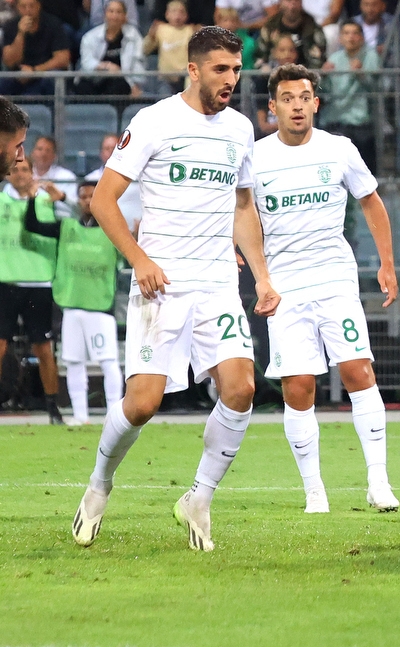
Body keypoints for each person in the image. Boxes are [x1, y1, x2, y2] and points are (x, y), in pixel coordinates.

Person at [71, 26, 281, 552]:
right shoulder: (155, 121)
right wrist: (139, 259)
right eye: (220, 69)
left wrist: (261, 274)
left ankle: (199, 498)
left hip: (216, 283)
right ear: (193, 69)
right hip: (161, 285)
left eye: (236, 70)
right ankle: (99, 485)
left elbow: (242, 206)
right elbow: (102, 200)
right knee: (141, 404)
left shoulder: (239, 129)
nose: (231, 79)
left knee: (241, 389)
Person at [253, 63, 399, 513]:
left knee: (359, 372)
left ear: (316, 103)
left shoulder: (340, 149)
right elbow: (239, 214)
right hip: (285, 288)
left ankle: (379, 482)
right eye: (287, 99)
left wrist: (387, 265)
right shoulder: (254, 157)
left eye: (304, 98)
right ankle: (314, 490)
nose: (297, 106)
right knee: (298, 386)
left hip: (335, 278)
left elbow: (371, 201)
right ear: (272, 107)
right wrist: (254, 266)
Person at [23, 180, 122, 426]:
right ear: (78, 200)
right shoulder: (66, 227)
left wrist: (64, 198)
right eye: (83, 197)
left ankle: (115, 415)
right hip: (71, 306)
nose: (87, 201)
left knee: (109, 361)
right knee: (74, 362)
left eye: (92, 197)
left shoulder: (113, 230)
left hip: (100, 307)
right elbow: (32, 225)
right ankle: (80, 416)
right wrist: (33, 199)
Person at [0, 157, 64, 424]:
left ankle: (53, 407)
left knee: (44, 347)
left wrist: (60, 200)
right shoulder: (1, 201)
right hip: (6, 281)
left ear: (32, 172)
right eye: (14, 169)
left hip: (39, 282)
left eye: (25, 169)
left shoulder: (48, 201)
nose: (20, 173)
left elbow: (72, 228)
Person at [320, 21, 380, 173]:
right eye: (346, 33)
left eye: (355, 33)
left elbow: (379, 89)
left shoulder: (371, 56)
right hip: (335, 119)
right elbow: (326, 92)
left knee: (364, 168)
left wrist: (362, 75)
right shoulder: (334, 58)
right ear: (340, 38)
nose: (350, 37)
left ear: (361, 38)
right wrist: (323, 77)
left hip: (361, 121)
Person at [75, 0, 145, 97]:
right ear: (105, 14)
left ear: (125, 16)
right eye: (111, 11)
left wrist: (135, 85)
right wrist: (107, 66)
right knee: (83, 87)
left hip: (121, 81)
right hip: (95, 78)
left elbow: (138, 63)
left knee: (119, 86)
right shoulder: (90, 37)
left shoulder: (134, 36)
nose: (114, 16)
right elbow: (86, 63)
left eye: (118, 12)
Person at [0, 0, 71, 96]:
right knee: (3, 82)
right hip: (19, 76)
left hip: (44, 73)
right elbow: (9, 61)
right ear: (17, 7)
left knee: (53, 78)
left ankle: (56, 110)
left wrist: (34, 70)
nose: (28, 10)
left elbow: (63, 59)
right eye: (23, 6)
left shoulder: (53, 24)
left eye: (31, 6)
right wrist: (21, 34)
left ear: (39, 6)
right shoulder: (10, 26)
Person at [85, 133, 141, 232]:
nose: (111, 152)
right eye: (107, 148)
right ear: (101, 153)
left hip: (135, 234)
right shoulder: (90, 180)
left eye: (115, 148)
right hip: (100, 234)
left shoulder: (138, 177)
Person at [254, 0, 328, 69]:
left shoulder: (312, 28)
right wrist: (265, 68)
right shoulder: (270, 28)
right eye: (288, 1)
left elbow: (318, 61)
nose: (292, 6)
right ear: (280, 2)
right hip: (274, 74)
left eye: (296, 1)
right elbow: (260, 56)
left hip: (305, 74)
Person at [143, 0, 197, 94]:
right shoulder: (160, 29)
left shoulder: (190, 30)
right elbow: (145, 50)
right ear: (167, 14)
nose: (177, 15)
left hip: (185, 77)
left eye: (181, 12)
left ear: (186, 15)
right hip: (165, 78)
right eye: (174, 11)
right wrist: (151, 37)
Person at [352, 0, 400, 67]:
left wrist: (389, 49)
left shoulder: (392, 23)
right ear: (360, 6)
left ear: (383, 6)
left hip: (385, 67)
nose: (370, 9)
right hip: (357, 64)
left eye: (374, 5)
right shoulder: (352, 24)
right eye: (366, 4)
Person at [256, 33, 299, 133]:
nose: (287, 54)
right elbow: (263, 125)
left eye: (291, 50)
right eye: (282, 50)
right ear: (274, 52)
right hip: (270, 132)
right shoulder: (265, 78)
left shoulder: (303, 79)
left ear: (296, 53)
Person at [30, 135, 76, 219]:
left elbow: (77, 208)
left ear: (54, 156)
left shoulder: (66, 177)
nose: (43, 154)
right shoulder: (22, 175)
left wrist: (62, 197)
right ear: (32, 153)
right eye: (39, 149)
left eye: (48, 150)